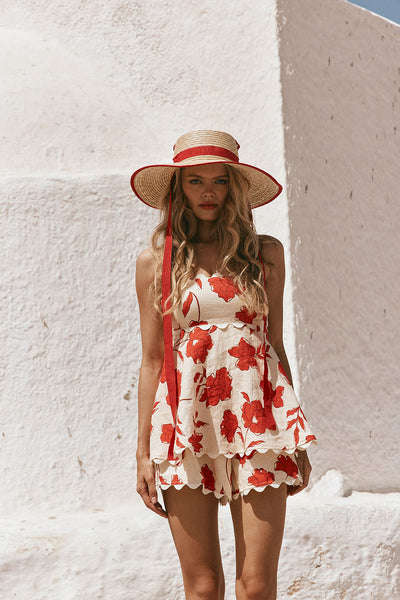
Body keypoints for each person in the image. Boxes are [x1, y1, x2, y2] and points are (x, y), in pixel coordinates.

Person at [132, 130, 317, 600]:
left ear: (233, 187)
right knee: (203, 586)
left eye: (219, 180)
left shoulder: (265, 254)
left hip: (259, 421)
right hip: (184, 423)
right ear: (179, 189)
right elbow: (153, 360)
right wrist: (143, 453)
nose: (208, 192)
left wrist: (294, 433)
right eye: (195, 181)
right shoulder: (156, 261)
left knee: (256, 586)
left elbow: (274, 345)